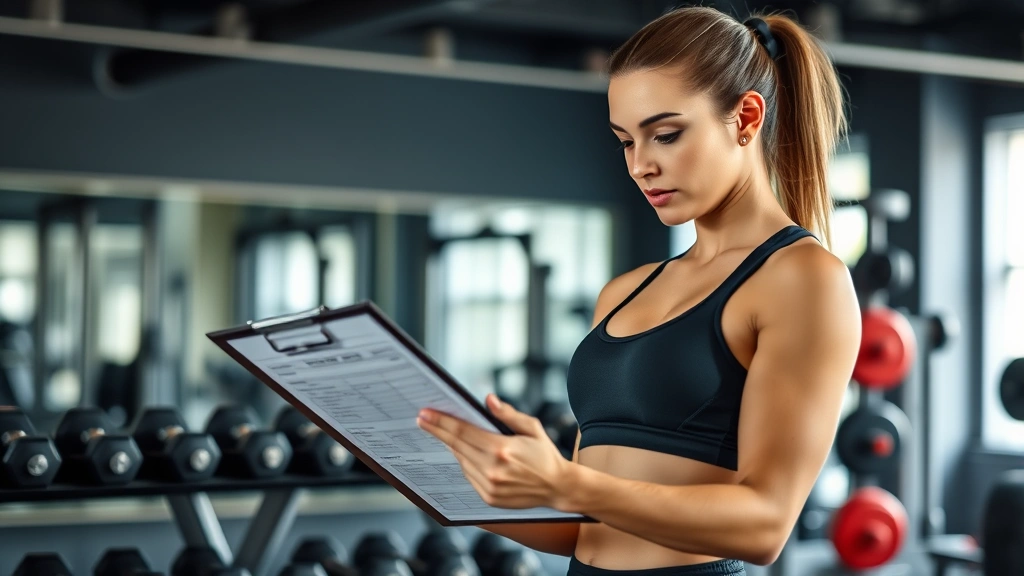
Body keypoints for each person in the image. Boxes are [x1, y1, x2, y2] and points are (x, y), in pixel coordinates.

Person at [416, 6, 862, 575]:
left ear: (746, 119)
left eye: (666, 135)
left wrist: (567, 481)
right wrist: (437, 473)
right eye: (625, 141)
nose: (640, 165)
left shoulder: (802, 278)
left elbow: (765, 524)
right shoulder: (624, 293)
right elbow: (581, 532)